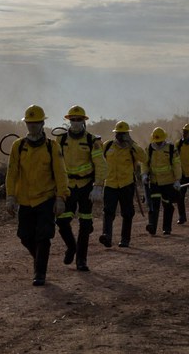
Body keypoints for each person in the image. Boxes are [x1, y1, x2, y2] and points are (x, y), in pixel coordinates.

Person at [5, 105, 69, 286]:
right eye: (29, 123)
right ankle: (39, 259)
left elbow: (60, 173)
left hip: (46, 198)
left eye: (35, 123)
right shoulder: (18, 146)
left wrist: (61, 197)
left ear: (42, 123)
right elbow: (11, 173)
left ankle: (40, 272)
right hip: (25, 200)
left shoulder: (52, 147)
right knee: (25, 237)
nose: (32, 126)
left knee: (44, 236)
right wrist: (10, 197)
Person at [55, 105, 107, 271]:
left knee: (85, 225)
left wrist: (98, 186)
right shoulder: (60, 140)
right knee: (62, 221)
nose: (75, 123)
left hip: (86, 187)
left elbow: (101, 165)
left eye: (78, 120)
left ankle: (81, 260)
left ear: (84, 121)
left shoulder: (93, 141)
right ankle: (71, 247)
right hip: (67, 187)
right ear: (68, 121)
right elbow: (54, 166)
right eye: (73, 120)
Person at [98, 121, 147, 248]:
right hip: (110, 184)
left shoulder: (132, 148)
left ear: (127, 134)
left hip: (127, 185)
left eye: (123, 134)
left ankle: (125, 239)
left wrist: (131, 143)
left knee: (127, 212)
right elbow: (99, 161)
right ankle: (106, 236)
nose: (119, 136)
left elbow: (144, 158)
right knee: (108, 211)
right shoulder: (108, 146)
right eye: (118, 133)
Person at [142, 127, 182, 235]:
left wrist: (177, 180)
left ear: (164, 139)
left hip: (168, 183)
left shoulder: (171, 148)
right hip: (155, 183)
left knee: (167, 205)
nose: (158, 143)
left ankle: (167, 228)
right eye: (156, 141)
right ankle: (152, 227)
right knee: (153, 205)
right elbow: (145, 163)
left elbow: (176, 164)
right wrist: (144, 174)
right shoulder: (149, 149)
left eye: (160, 141)